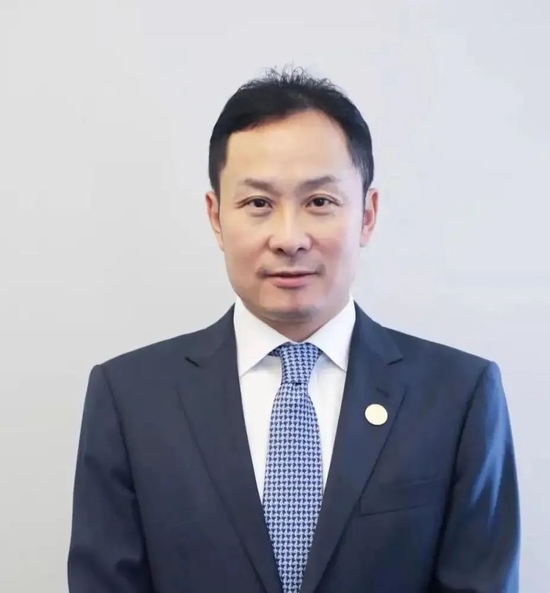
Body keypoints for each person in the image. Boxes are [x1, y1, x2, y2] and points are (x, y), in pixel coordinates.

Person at [67, 67, 520, 593]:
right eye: (258, 203)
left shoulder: (458, 395)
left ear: (367, 215)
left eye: (319, 202)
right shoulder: (130, 398)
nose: (289, 238)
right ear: (216, 217)